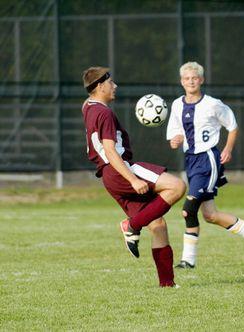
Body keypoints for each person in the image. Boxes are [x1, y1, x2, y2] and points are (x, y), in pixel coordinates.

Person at [81, 67, 186, 287]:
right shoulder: (104, 113)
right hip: (120, 169)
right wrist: (133, 179)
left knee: (157, 223)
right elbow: (110, 150)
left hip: (109, 177)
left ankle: (166, 284)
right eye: (111, 82)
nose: (115, 86)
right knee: (177, 186)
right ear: (100, 86)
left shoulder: (88, 107)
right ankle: (131, 226)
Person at [166, 61, 244, 269]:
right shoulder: (177, 104)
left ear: (201, 80)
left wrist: (228, 149)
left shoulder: (213, 104)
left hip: (208, 160)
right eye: (187, 78)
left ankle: (188, 260)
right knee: (210, 215)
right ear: (181, 81)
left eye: (194, 78)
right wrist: (175, 140)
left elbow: (232, 126)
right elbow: (174, 134)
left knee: (188, 209)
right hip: (191, 161)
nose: (191, 82)